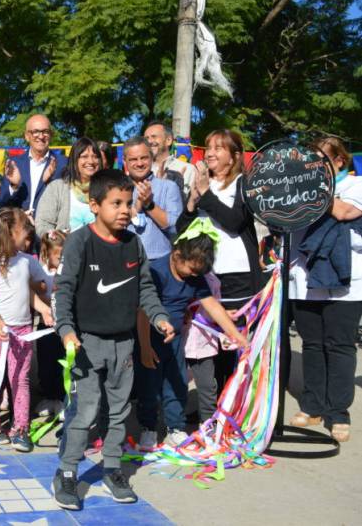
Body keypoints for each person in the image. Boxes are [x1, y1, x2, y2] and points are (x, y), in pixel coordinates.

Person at [51, 169, 175, 508]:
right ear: (94, 205)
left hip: (124, 345)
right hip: (86, 345)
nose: (125, 210)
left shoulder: (133, 243)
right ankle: (66, 473)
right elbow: (63, 292)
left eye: (129, 203)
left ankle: (112, 470)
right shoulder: (80, 241)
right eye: (116, 203)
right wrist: (66, 331)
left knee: (119, 413)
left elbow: (145, 289)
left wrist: (159, 317)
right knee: (85, 412)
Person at [136, 220, 247, 450]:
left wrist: (235, 334)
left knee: (177, 383)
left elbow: (213, 306)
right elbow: (142, 312)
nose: (193, 275)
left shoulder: (196, 277)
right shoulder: (156, 272)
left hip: (176, 339)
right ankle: (148, 428)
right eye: (191, 269)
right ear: (177, 254)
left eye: (198, 272)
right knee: (149, 386)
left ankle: (175, 427)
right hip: (150, 337)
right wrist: (145, 347)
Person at [288, 137, 362, 443]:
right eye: (311, 161)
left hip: (347, 282)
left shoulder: (356, 186)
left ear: (340, 160)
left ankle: (338, 412)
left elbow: (345, 212)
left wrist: (310, 190)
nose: (315, 166)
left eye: (322, 159)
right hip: (304, 278)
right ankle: (313, 405)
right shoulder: (298, 189)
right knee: (312, 345)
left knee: (340, 345)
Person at [178, 129, 261, 393]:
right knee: (208, 342)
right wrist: (192, 202)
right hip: (206, 275)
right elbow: (182, 230)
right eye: (208, 147)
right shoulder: (202, 185)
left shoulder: (243, 184)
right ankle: (212, 405)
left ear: (234, 156)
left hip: (237, 275)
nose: (210, 153)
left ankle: (237, 404)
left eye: (218, 148)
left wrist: (206, 194)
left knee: (234, 340)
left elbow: (236, 222)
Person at [0, 208, 53, 452]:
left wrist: (44, 309)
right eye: (24, 227)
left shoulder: (27, 261)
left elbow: (29, 293)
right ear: (10, 232)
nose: (28, 232)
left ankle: (21, 428)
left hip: (23, 331)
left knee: (20, 379)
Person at [124, 136, 182, 260]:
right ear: (125, 162)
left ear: (151, 159)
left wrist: (149, 205)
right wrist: (134, 210)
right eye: (133, 159)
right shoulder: (117, 189)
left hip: (160, 261)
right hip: (125, 259)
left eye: (144, 158)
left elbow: (176, 228)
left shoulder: (169, 187)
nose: (139, 163)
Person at [0, 114, 67, 213]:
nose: (41, 136)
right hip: (19, 226)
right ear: (27, 136)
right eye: (35, 131)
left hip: (50, 226)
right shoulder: (14, 164)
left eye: (45, 131)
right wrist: (14, 186)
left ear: (51, 135)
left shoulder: (63, 163)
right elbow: (2, 205)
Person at [35, 137, 102, 235]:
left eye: (95, 156)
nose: (91, 161)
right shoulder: (57, 188)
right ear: (74, 161)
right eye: (84, 156)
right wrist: (55, 239)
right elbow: (43, 224)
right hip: (64, 249)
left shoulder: (108, 189)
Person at [34, 229, 67, 418]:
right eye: (58, 255)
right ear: (46, 253)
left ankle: (62, 399)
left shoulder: (68, 270)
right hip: (45, 325)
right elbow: (38, 294)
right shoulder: (40, 270)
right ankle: (48, 397)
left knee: (62, 363)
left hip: (63, 325)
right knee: (46, 362)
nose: (61, 259)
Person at [143, 121, 195, 200]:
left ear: (169, 140)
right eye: (146, 138)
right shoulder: (140, 170)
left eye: (154, 137)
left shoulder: (189, 169)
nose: (149, 141)